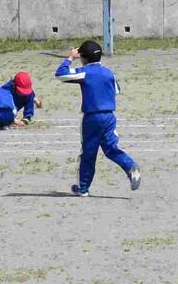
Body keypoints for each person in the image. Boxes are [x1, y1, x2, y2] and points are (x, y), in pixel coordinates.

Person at [56, 40, 141, 197]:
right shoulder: (109, 73)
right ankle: (130, 167)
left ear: (83, 58)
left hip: (92, 118)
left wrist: (70, 58)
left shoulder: (84, 72)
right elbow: (116, 90)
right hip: (109, 117)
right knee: (111, 148)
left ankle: (83, 188)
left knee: (88, 152)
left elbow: (61, 74)